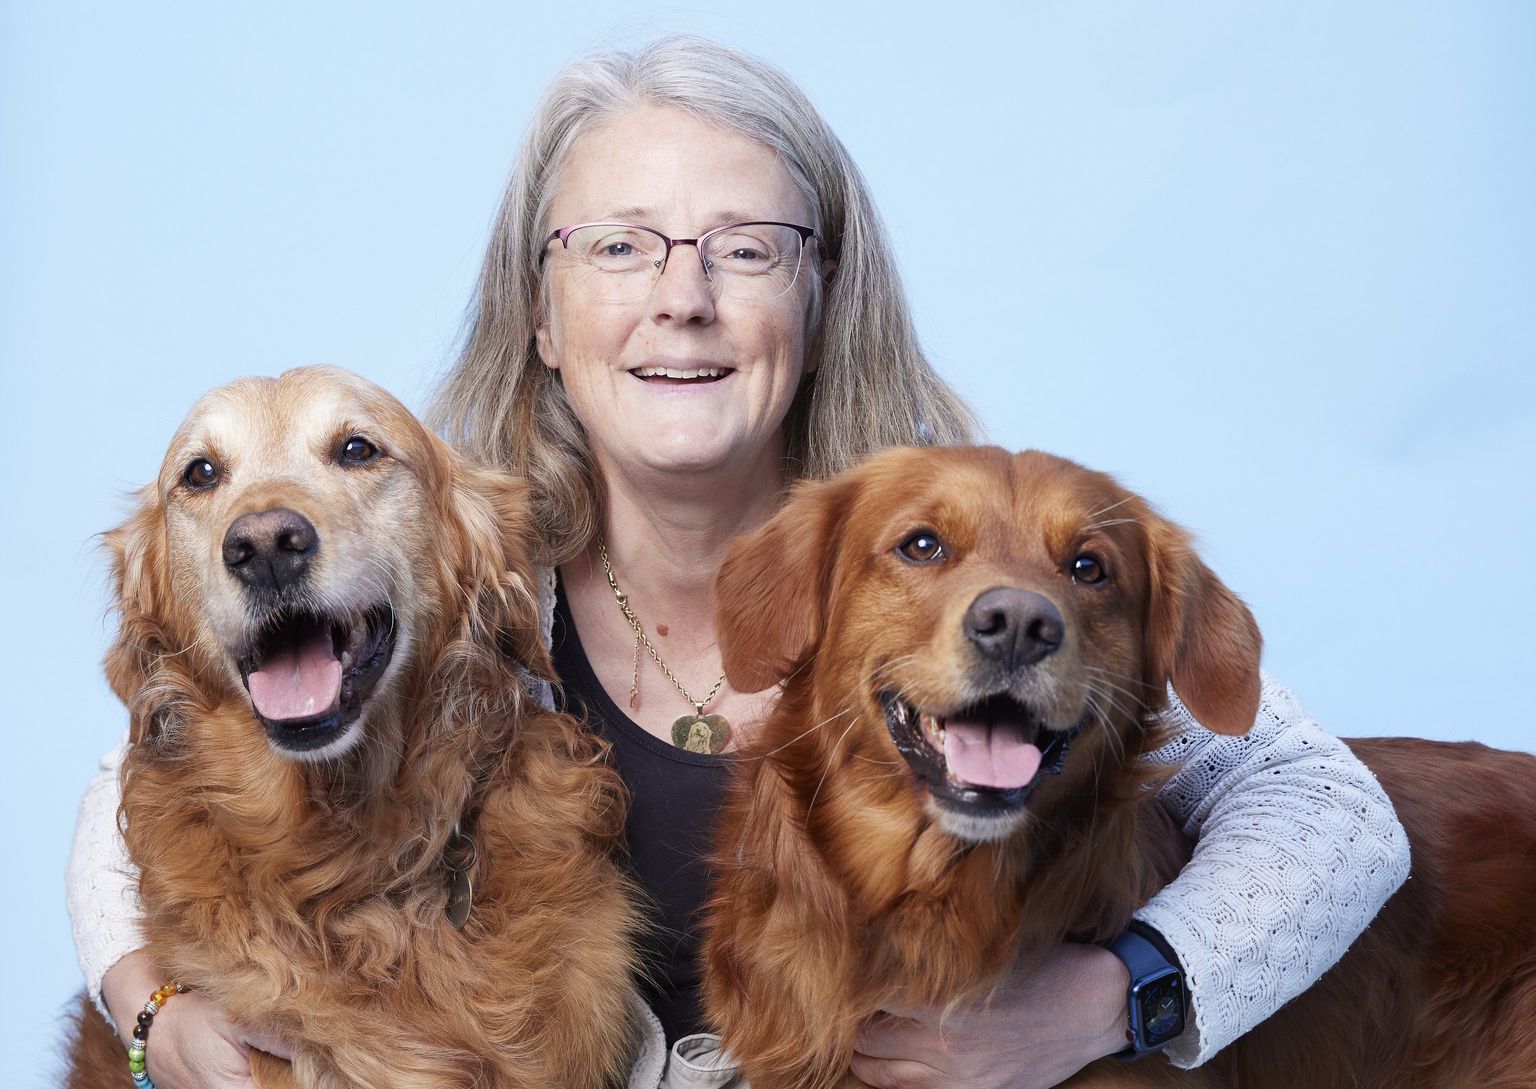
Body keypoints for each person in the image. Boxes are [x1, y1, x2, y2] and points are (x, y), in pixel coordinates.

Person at [68, 35, 1410, 1089]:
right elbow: (159, 774)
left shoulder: (953, 556)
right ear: (541, 313)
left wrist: (1111, 998)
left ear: (822, 301)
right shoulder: (460, 568)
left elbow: (1335, 814)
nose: (683, 295)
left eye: (747, 248)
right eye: (617, 245)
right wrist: (152, 1013)